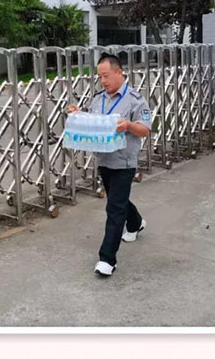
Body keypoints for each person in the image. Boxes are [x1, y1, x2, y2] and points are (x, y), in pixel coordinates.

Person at [66, 53, 152, 277]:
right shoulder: (98, 98)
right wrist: (77, 114)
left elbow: (145, 129)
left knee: (114, 208)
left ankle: (107, 259)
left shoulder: (134, 99)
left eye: (106, 76)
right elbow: (93, 120)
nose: (103, 81)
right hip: (104, 160)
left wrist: (128, 125)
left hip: (124, 162)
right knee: (118, 199)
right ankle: (135, 223)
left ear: (119, 72)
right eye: (100, 77)